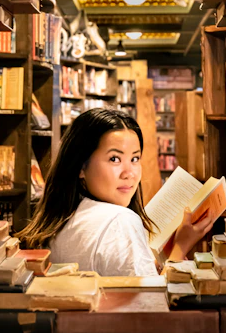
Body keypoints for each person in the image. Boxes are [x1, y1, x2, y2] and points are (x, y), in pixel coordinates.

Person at [16, 108, 213, 276]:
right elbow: (151, 305)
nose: (129, 173)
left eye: (135, 159)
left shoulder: (59, 217)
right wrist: (180, 248)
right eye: (114, 159)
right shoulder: (120, 221)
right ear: (81, 167)